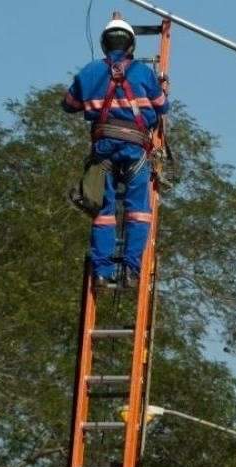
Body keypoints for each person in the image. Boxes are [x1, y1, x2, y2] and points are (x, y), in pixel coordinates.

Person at [62, 11, 169, 288]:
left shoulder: (89, 71)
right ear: (131, 45)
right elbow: (162, 106)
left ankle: (101, 271)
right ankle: (132, 269)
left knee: (103, 211)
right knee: (138, 211)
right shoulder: (143, 72)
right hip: (135, 149)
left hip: (103, 152)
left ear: (104, 44)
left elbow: (69, 105)